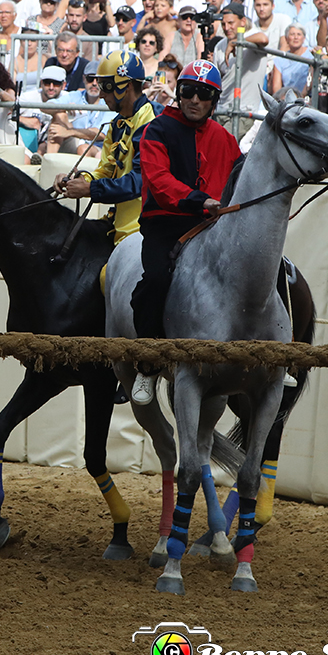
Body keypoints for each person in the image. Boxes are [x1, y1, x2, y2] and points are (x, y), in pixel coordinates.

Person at [128, 59, 241, 405]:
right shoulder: (156, 130)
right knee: (157, 281)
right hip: (167, 222)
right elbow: (159, 183)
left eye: (204, 94)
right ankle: (146, 365)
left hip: (215, 226)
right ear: (178, 93)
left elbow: (241, 181)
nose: (194, 99)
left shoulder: (226, 138)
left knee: (270, 270)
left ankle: (281, 359)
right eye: (188, 91)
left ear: (214, 100)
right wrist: (198, 200)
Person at [51, 49, 152, 249]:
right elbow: (105, 171)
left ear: (127, 86)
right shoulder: (116, 124)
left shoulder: (152, 121)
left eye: (106, 85)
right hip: (118, 225)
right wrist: (78, 180)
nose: (101, 92)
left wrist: (90, 189)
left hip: (144, 229)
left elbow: (141, 180)